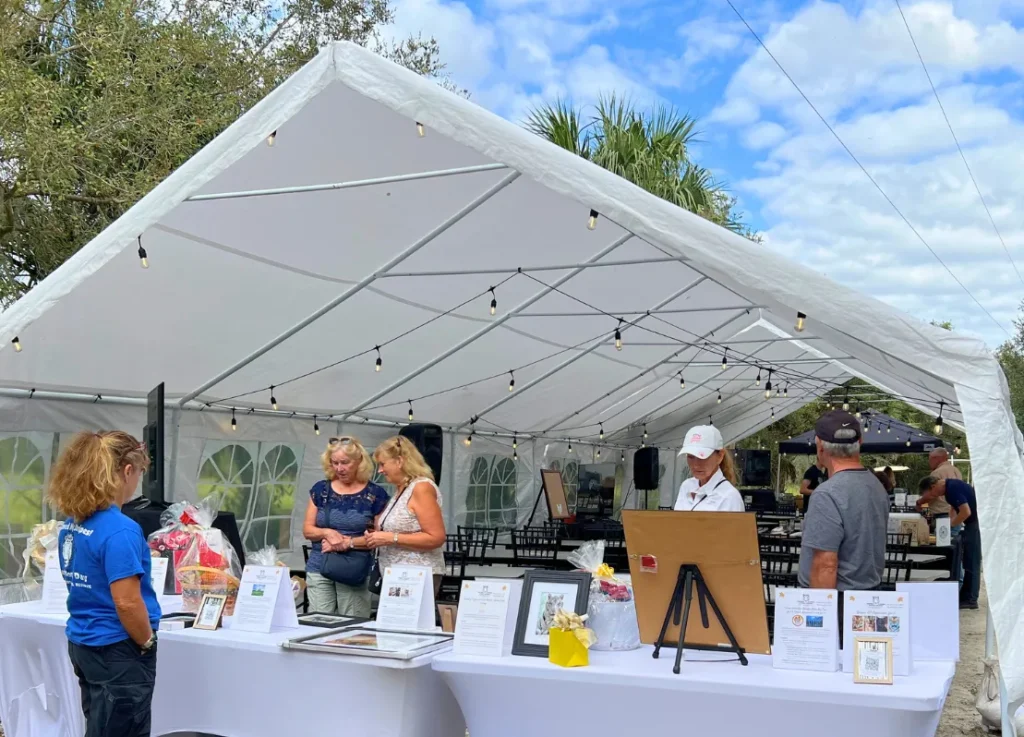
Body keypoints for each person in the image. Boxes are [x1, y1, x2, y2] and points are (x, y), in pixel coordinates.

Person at [48, 432, 160, 737]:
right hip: (117, 648)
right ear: (127, 471)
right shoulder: (121, 530)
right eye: (139, 473)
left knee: (99, 726)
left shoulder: (73, 523)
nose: (137, 481)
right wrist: (147, 641)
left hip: (85, 641)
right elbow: (126, 602)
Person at [799, 410, 889, 595]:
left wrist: (819, 616)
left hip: (838, 601)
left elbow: (826, 565)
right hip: (869, 594)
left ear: (820, 447)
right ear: (860, 443)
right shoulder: (876, 486)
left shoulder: (827, 494)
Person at [303, 436, 390, 616]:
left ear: (359, 462)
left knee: (352, 626)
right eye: (334, 463)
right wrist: (327, 532)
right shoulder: (321, 490)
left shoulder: (375, 494)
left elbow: (379, 539)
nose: (339, 468)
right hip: (320, 566)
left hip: (354, 569)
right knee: (318, 622)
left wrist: (345, 542)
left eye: (345, 462)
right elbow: (307, 530)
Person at [367, 436, 446, 594]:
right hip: (397, 576)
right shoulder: (402, 489)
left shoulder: (421, 488)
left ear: (400, 461)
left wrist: (390, 538)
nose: (380, 470)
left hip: (417, 576)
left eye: (383, 464)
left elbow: (436, 537)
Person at [918, 475, 980, 609]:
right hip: (970, 524)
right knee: (967, 560)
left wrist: (950, 526)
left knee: (972, 561)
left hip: (974, 523)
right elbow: (953, 509)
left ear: (933, 487)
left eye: (932, 494)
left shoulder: (952, 488)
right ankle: (965, 595)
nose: (934, 497)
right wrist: (948, 525)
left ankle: (971, 598)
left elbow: (965, 512)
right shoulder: (949, 491)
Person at [673, 425, 744, 512]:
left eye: (702, 457)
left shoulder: (730, 497)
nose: (695, 465)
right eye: (691, 457)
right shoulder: (686, 486)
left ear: (720, 456)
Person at [924, 448, 961, 517]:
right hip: (956, 513)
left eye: (930, 459)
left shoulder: (936, 473)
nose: (929, 462)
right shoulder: (956, 470)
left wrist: (919, 503)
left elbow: (932, 495)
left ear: (937, 459)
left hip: (941, 514)